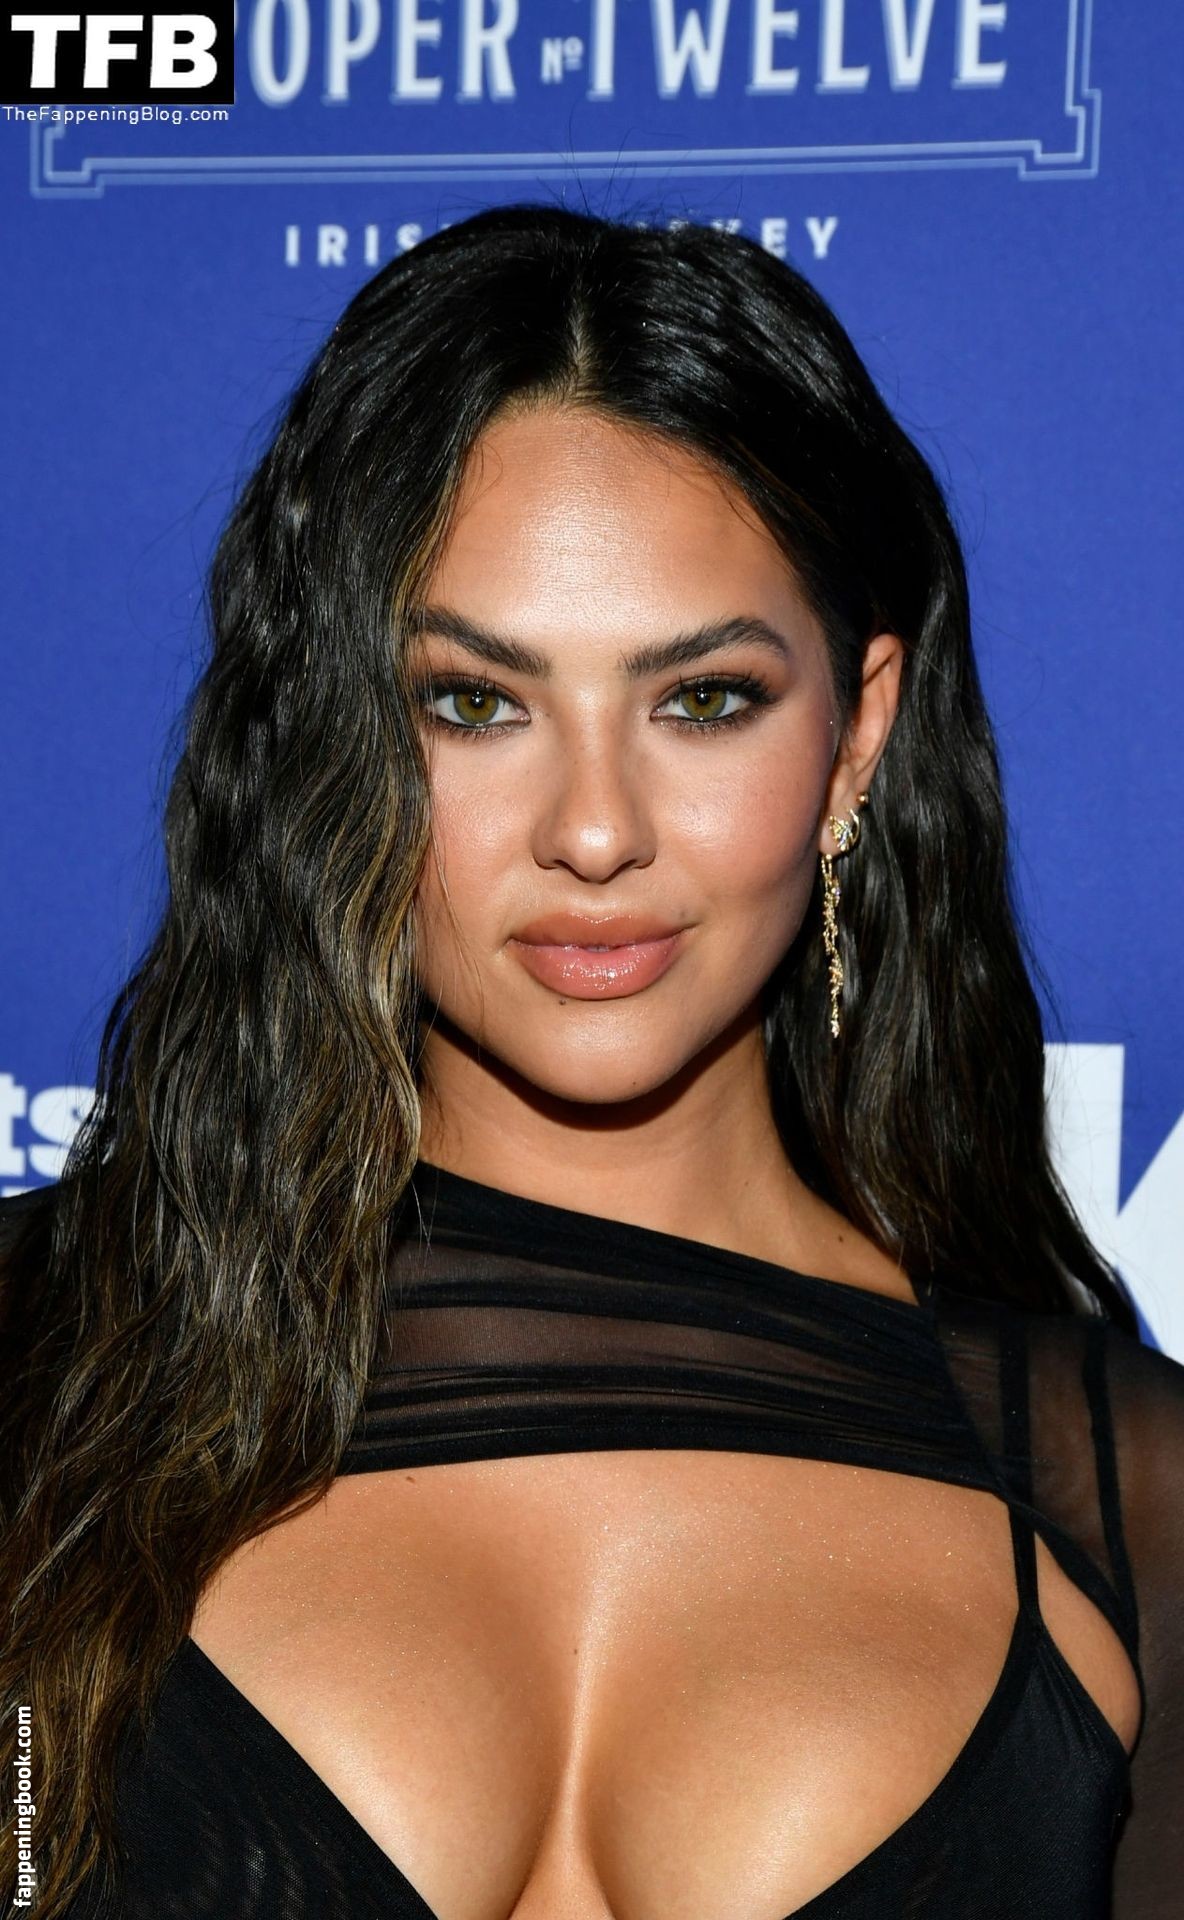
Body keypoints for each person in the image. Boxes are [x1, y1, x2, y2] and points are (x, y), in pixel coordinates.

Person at [1, 202, 1181, 1920]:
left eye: (703, 700)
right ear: (337, 735)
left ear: (858, 733)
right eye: (474, 702)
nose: (597, 829)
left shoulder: (1119, 1506)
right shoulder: (47, 1368)